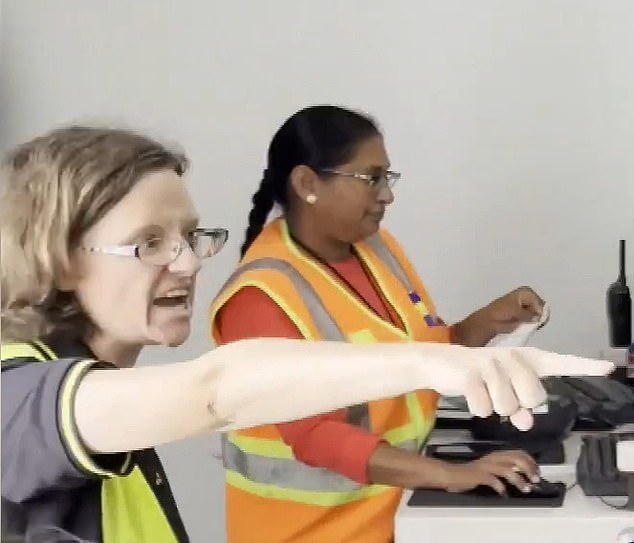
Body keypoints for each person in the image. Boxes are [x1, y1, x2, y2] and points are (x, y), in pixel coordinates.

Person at [0, 126, 611, 543]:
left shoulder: (97, 384)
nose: (188, 264)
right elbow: (216, 391)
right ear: (56, 258)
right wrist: (428, 364)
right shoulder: (16, 396)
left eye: (190, 237)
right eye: (149, 244)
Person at [209, 105, 575, 543]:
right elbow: (315, 437)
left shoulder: (376, 249)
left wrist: (490, 320)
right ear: (308, 183)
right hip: (311, 533)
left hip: (393, 516)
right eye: (371, 178)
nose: (387, 195)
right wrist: (451, 475)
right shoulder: (260, 298)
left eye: (388, 178)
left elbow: (424, 359)